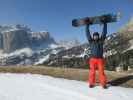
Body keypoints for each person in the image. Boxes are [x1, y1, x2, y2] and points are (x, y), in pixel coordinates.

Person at [86, 23, 107, 89]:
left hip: (100, 59)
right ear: (93, 36)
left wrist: (104, 24)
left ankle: (103, 84)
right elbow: (87, 34)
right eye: (94, 36)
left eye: (97, 36)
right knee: (92, 72)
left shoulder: (101, 41)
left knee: (101, 72)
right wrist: (87, 25)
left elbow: (104, 33)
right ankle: (91, 83)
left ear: (98, 36)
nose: (95, 37)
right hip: (92, 59)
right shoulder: (91, 41)